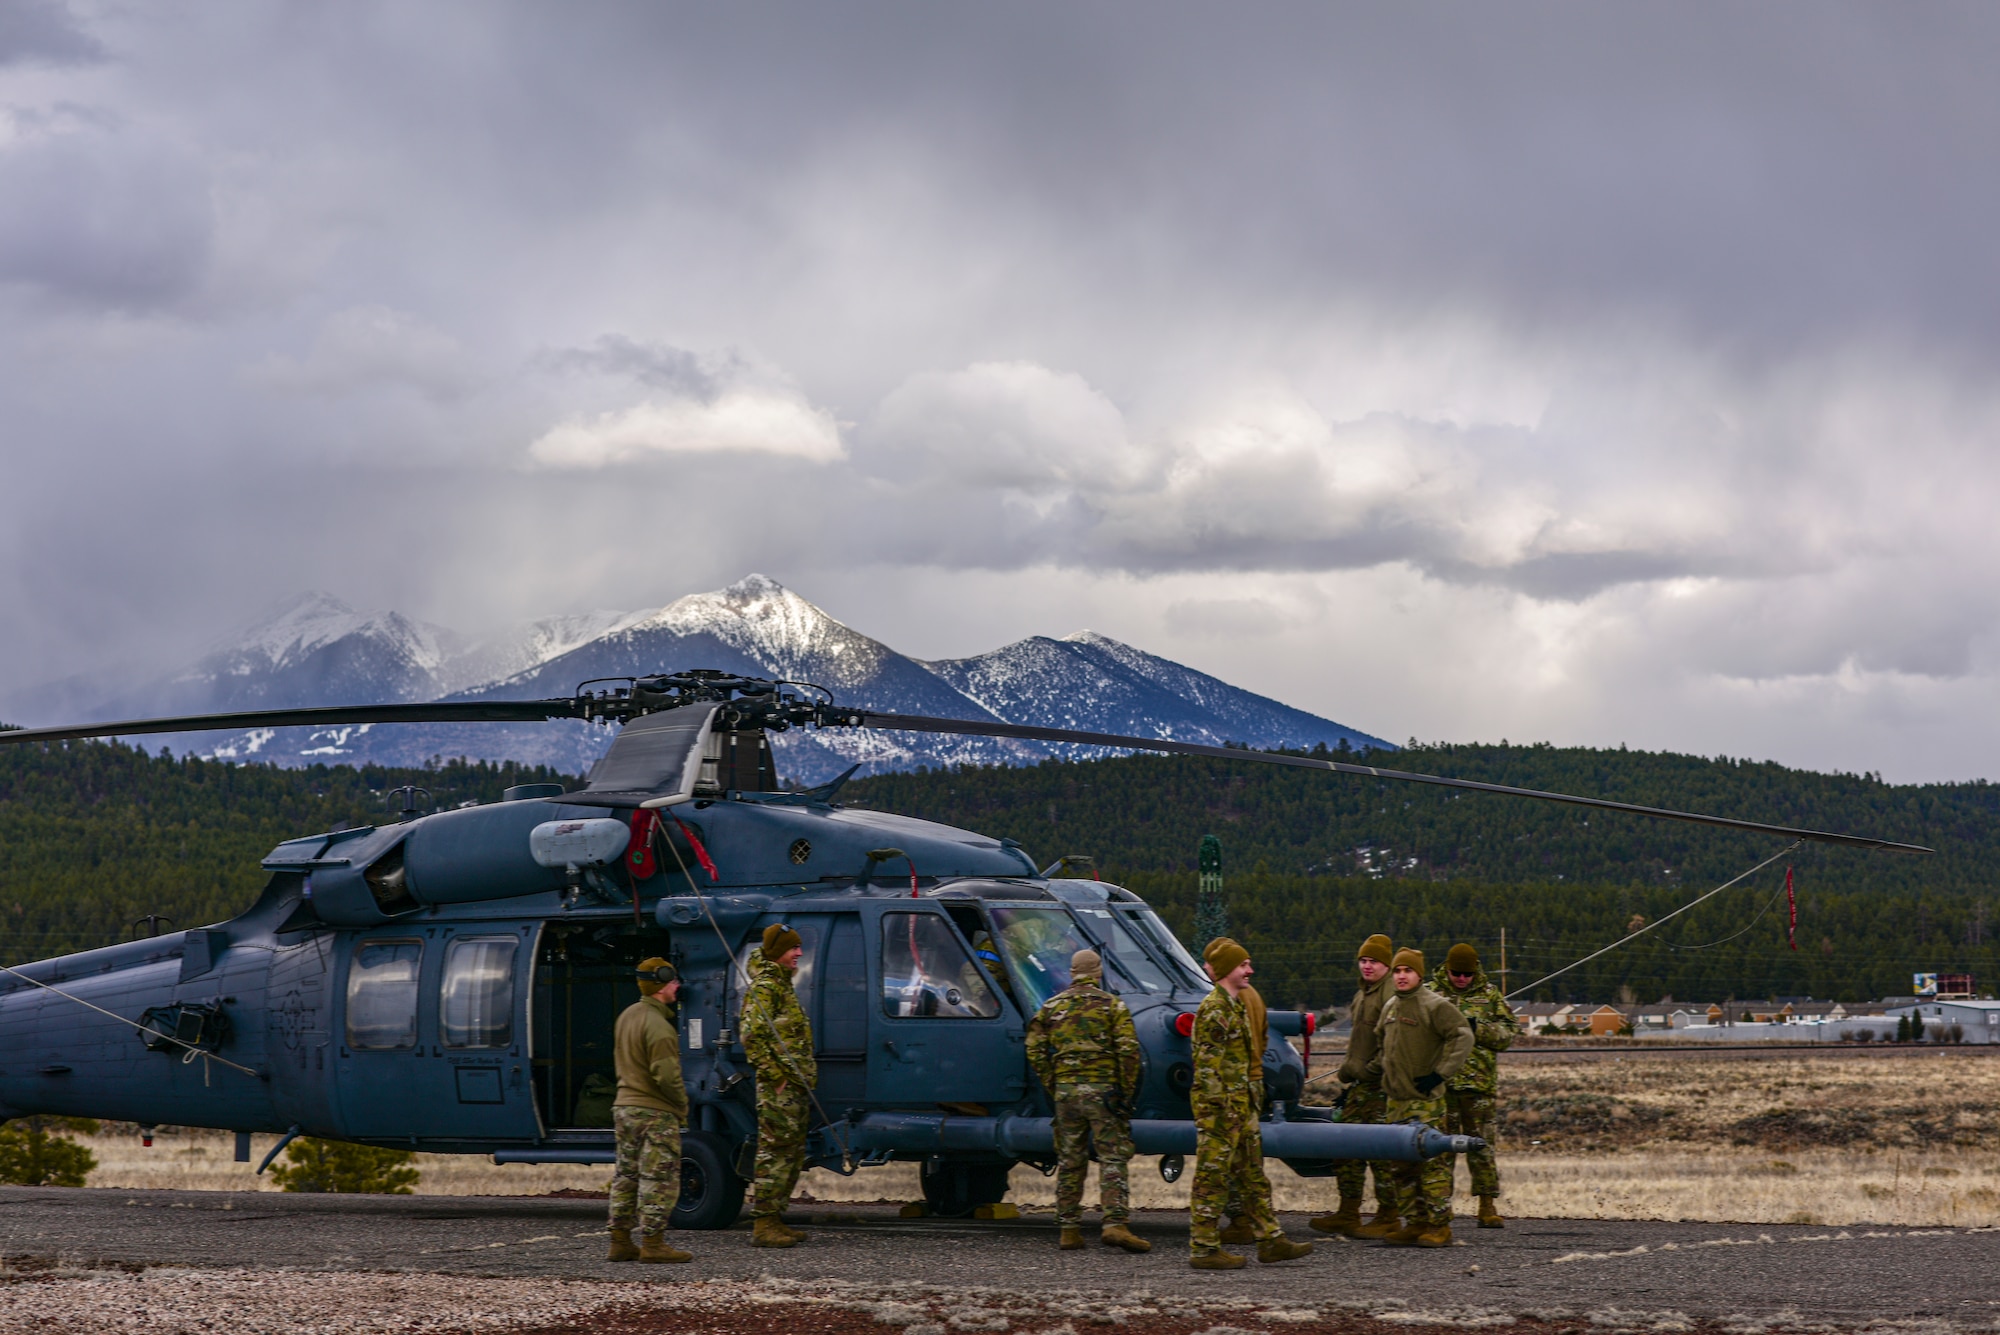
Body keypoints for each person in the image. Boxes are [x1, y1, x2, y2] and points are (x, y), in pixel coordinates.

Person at [1187, 937, 1313, 1270]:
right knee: (1212, 1178)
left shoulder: (1235, 1005)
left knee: (1253, 1177)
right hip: (1221, 1111)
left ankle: (1271, 1241)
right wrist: (1219, 1110)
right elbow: (1207, 1068)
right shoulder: (1215, 1010)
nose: (1250, 971)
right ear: (1229, 969)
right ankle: (1203, 1248)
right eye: (1244, 965)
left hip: (1240, 1106)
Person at [1024, 948, 1150, 1254]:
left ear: (1072, 973)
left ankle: (1069, 1229)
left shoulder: (1051, 1007)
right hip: (1104, 1092)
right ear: (1098, 973)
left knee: (1070, 1159)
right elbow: (1129, 1052)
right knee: (1112, 1158)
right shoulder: (1112, 1006)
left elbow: (1034, 1049)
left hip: (1066, 1093)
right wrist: (1125, 1091)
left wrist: (1054, 1083)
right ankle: (1115, 1224)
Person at [1374, 947, 1473, 1247]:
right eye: (1397, 971)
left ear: (1419, 974)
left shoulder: (1433, 1004)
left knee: (1432, 1166)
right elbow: (1381, 1040)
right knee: (1400, 1167)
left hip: (1425, 1101)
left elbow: (1463, 1035)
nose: (1402, 976)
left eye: (1408, 971)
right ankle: (1414, 1223)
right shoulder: (1390, 1005)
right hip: (1395, 1101)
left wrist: (1439, 1074)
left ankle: (1439, 1225)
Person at [1312, 934, 1398, 1239]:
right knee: (1345, 1146)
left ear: (1386, 965)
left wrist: (1367, 1070)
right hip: (1361, 1087)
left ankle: (1389, 1215)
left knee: (1379, 1150)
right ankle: (1348, 1212)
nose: (1367, 966)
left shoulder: (1391, 996)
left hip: (1382, 1087)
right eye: (1363, 960)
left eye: (1373, 961)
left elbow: (1392, 1049)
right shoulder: (1363, 994)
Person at [608, 957, 690, 1264]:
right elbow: (667, 1077)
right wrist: (682, 1105)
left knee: (626, 1175)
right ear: (661, 987)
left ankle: (619, 1241)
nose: (677, 986)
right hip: (654, 1112)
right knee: (659, 1177)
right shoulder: (660, 1027)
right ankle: (653, 1244)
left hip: (624, 1108)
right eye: (673, 982)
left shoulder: (627, 1016)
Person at [1432, 942, 1518, 1228]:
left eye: (1467, 974)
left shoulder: (1491, 995)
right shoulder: (1431, 993)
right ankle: (1440, 1207)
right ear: (1447, 969)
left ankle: (1487, 1205)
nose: (1461, 979)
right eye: (1456, 973)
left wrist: (1477, 1027)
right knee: (1439, 1149)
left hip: (1478, 1087)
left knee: (1482, 1148)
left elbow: (1507, 1034)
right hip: (1440, 1085)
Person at [742, 923, 816, 1248]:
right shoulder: (766, 987)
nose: (799, 953)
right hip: (778, 1090)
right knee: (774, 1153)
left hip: (795, 1087)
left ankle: (774, 1218)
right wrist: (777, 1077)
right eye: (793, 948)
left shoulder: (784, 986)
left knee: (792, 1153)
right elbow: (750, 1036)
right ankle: (762, 1223)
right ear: (777, 952)